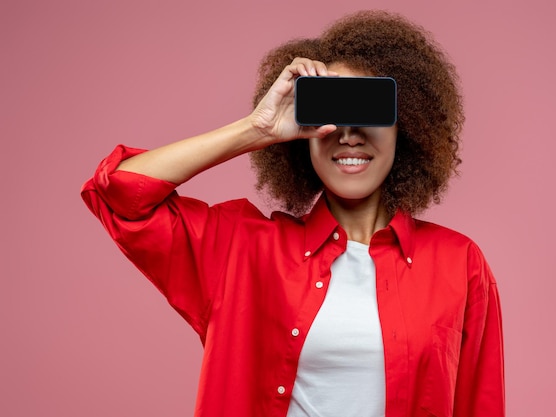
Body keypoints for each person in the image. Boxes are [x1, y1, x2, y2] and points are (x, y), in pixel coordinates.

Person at [81, 10, 504, 417]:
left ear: (406, 124)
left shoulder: (460, 264)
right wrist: (257, 128)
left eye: (368, 109)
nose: (349, 134)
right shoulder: (242, 251)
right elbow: (119, 192)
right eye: (330, 111)